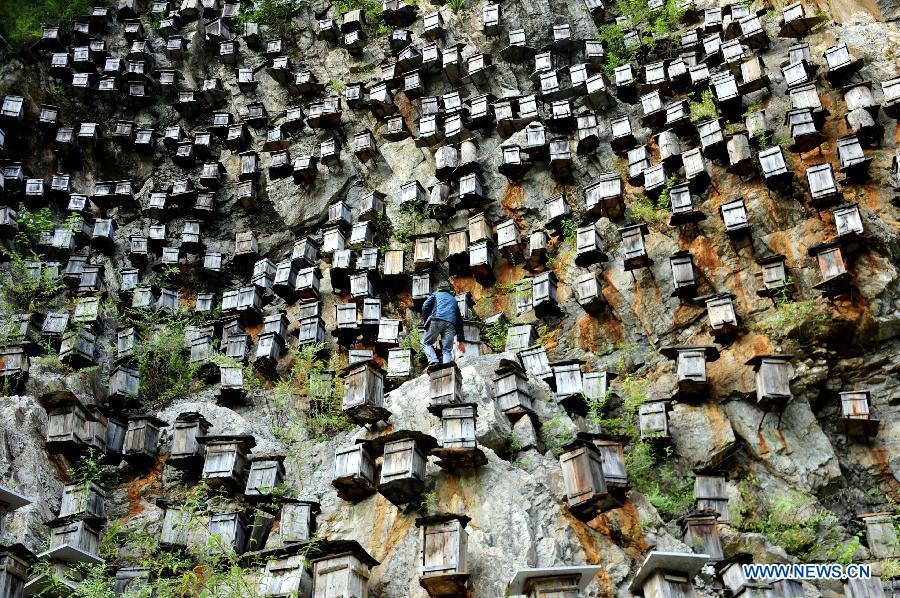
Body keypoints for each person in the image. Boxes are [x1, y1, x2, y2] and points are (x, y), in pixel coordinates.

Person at [421, 281, 465, 369]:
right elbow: (459, 321)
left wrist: (426, 322)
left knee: (426, 342)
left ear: (439, 289)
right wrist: (460, 340)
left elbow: (425, 307)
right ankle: (447, 368)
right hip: (451, 325)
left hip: (437, 320)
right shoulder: (454, 300)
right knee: (447, 350)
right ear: (448, 290)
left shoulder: (435, 295)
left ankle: (434, 361)